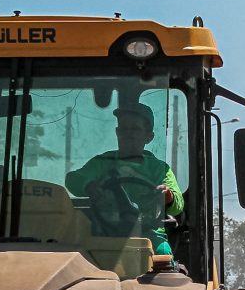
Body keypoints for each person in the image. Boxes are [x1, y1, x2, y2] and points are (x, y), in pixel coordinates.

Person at [65, 102, 184, 256]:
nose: (128, 133)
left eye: (135, 129)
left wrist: (167, 195)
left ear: (149, 136)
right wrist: (89, 185)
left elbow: (178, 205)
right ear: (117, 132)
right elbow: (73, 179)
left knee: (163, 253)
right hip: (105, 230)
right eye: (123, 129)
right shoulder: (103, 162)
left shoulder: (159, 168)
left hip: (147, 232)